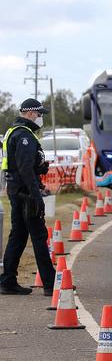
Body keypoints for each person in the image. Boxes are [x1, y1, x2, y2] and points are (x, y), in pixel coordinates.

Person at [0, 98, 55, 296]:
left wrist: (39, 167)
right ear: (30, 113)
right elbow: (24, 168)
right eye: (40, 114)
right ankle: (50, 284)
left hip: (17, 190)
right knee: (39, 236)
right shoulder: (23, 135)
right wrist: (36, 193)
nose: (41, 118)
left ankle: (7, 280)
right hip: (25, 192)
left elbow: (22, 164)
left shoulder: (14, 132)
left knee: (19, 235)